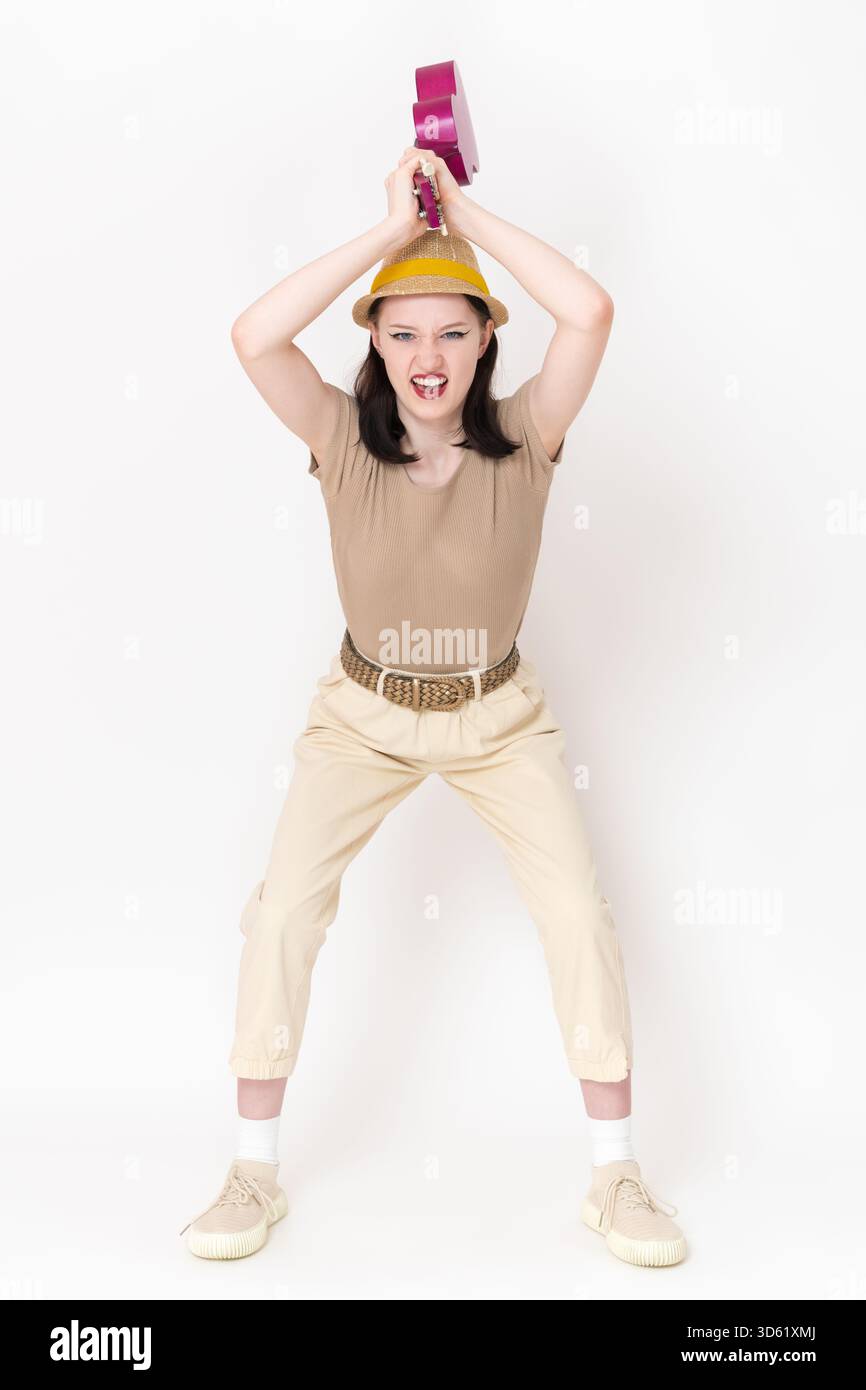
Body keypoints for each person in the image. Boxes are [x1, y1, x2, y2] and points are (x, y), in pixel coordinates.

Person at [180, 147, 686, 1268]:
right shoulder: (336, 438)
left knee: (576, 918)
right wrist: (385, 238)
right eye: (401, 331)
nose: (427, 356)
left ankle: (616, 1178)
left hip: (500, 715)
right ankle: (251, 1168)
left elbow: (590, 310)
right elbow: (252, 336)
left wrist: (459, 215)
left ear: (485, 341)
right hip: (359, 712)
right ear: (370, 340)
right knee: (280, 915)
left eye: (453, 331)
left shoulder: (527, 438)